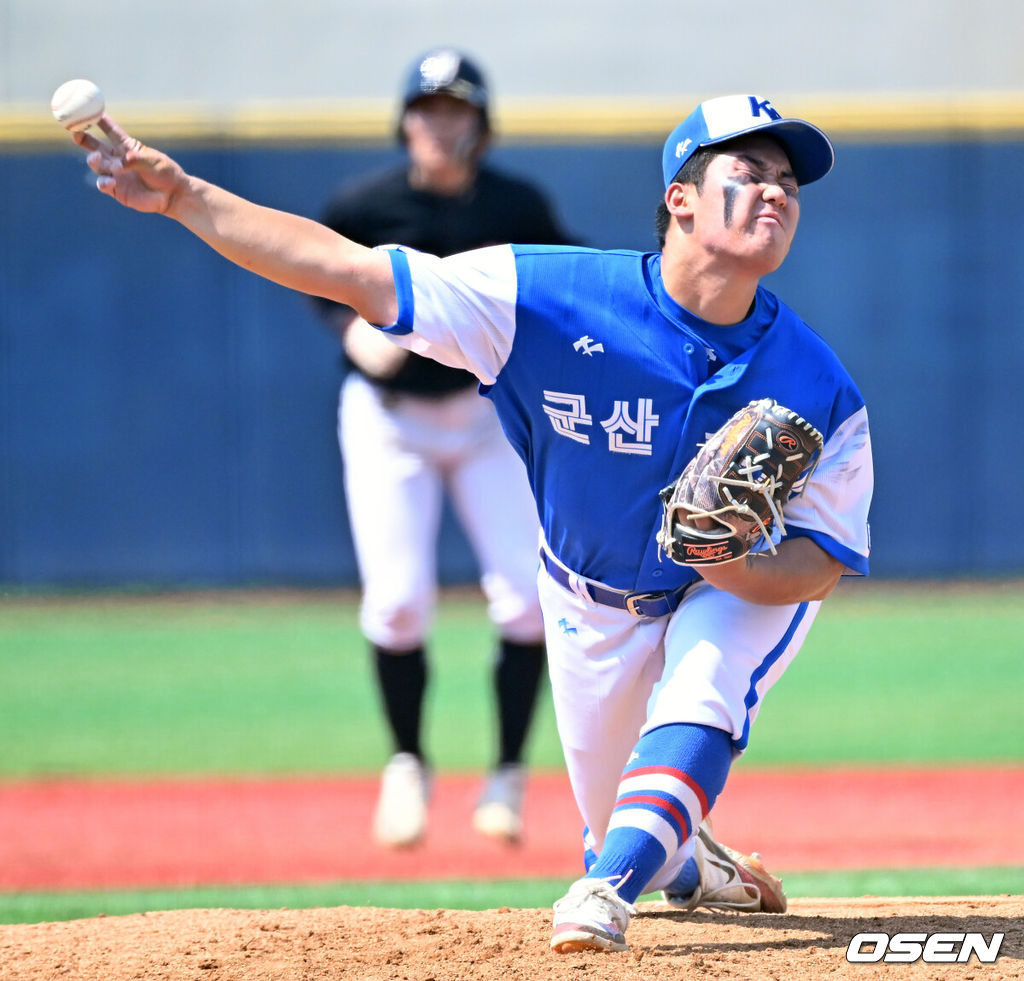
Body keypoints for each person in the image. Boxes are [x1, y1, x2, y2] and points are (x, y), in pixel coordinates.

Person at [71, 91, 873, 955]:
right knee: (617, 819)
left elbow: (821, 561)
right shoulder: (548, 296)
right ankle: (681, 862)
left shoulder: (817, 384)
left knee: (701, 694)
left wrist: (734, 569)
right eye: (747, 172)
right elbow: (352, 271)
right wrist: (188, 195)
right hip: (589, 597)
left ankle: (604, 891)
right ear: (679, 197)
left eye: (788, 182)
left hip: (733, 587)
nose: (775, 193)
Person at [313, 49, 574, 848]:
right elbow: (317, 272)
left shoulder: (517, 206)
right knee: (394, 600)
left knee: (529, 600)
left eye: (457, 111)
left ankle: (505, 776)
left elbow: (565, 284)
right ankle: (405, 762)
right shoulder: (365, 203)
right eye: (426, 110)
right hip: (391, 417)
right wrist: (348, 323)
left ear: (483, 127)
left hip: (486, 417)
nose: (439, 125)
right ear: (404, 122)